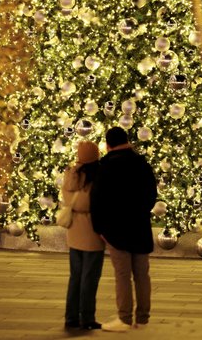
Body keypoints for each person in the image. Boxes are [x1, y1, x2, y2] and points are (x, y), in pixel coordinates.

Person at [90, 127, 157, 332]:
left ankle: (125, 319)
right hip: (139, 226)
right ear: (126, 140)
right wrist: (141, 211)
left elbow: (97, 200)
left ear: (108, 145)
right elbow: (151, 194)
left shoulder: (106, 166)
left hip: (116, 229)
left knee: (122, 275)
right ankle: (143, 319)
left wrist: (99, 228)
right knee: (142, 275)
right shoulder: (141, 163)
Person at [61, 141, 106, 330]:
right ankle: (87, 317)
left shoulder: (71, 174)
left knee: (75, 276)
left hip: (74, 231)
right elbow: (98, 205)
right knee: (90, 277)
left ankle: (71, 317)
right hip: (92, 231)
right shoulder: (98, 176)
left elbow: (67, 198)